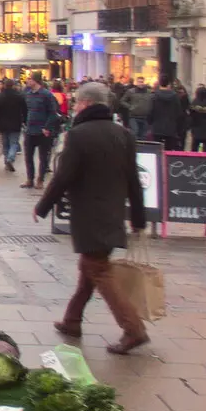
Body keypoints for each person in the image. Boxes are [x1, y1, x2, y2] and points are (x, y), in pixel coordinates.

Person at [33, 83, 150, 355]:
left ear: (85, 104)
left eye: (76, 103)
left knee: (98, 269)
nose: (74, 107)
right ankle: (72, 321)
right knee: (90, 269)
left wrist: (42, 206)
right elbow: (134, 180)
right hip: (112, 214)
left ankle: (133, 329)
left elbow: (63, 177)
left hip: (89, 215)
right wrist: (139, 217)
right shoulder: (124, 135)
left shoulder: (78, 136)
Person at [20, 74, 61, 190]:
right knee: (28, 156)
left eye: (30, 79)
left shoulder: (46, 95)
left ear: (36, 81)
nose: (27, 81)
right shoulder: (28, 94)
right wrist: (24, 123)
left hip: (43, 131)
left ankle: (40, 180)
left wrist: (47, 127)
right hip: (30, 130)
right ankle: (30, 179)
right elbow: (26, 111)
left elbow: (53, 113)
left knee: (43, 157)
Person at [0, 78, 27, 173]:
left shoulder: (0, 97)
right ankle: (10, 159)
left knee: (5, 144)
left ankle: (7, 160)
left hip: (2, 124)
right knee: (14, 143)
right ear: (13, 85)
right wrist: (25, 121)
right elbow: (25, 110)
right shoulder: (19, 97)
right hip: (16, 123)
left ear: (4, 85)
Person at [147, 80, 185, 152]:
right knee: (168, 150)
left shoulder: (154, 96)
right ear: (169, 85)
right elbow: (179, 112)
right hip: (170, 127)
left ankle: (158, 163)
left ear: (159, 84)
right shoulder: (175, 97)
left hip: (157, 127)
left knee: (156, 149)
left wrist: (150, 123)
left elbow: (150, 111)